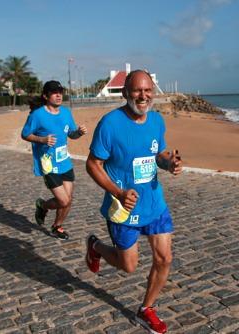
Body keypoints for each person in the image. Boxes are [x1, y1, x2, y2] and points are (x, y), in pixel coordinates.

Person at [85, 70, 182, 334]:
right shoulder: (110, 124)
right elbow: (93, 164)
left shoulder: (157, 121)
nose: (143, 96)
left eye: (148, 90)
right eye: (137, 90)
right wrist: (118, 192)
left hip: (154, 203)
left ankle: (146, 309)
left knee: (164, 258)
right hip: (123, 209)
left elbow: (158, 154)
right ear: (126, 92)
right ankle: (95, 246)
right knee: (128, 266)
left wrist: (168, 163)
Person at [21, 80, 87, 240]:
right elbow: (25, 134)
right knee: (63, 201)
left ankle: (57, 226)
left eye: (60, 92)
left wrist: (78, 132)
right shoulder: (37, 115)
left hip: (65, 162)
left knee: (68, 200)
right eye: (54, 92)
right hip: (49, 164)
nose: (58, 95)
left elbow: (71, 134)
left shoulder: (65, 112)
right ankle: (42, 206)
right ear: (46, 96)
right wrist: (42, 140)